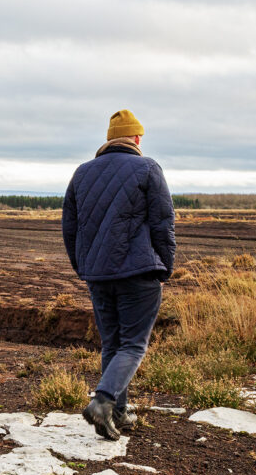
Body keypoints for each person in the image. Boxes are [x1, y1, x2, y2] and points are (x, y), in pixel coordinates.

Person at [61, 109, 176, 440]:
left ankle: (119, 414)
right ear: (137, 138)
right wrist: (164, 265)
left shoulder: (82, 173)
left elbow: (70, 227)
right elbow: (163, 222)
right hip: (138, 272)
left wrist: (84, 266)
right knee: (133, 345)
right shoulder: (147, 168)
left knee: (112, 343)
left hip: (98, 275)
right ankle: (104, 401)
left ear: (110, 139)